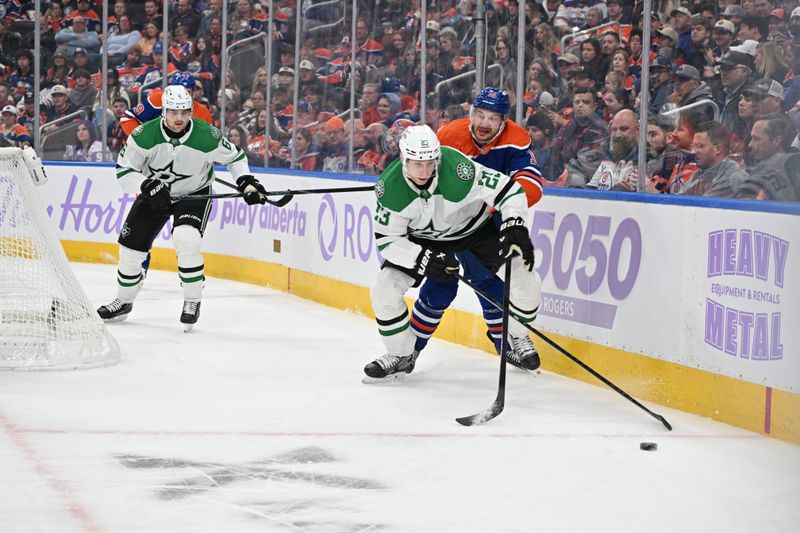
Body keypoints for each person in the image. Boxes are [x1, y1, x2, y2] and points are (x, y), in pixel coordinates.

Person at [364, 125, 541, 379]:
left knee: (524, 276)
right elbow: (388, 240)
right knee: (383, 289)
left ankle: (515, 334)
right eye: (417, 164)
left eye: (430, 163)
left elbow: (509, 190)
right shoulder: (389, 188)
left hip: (474, 231)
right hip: (423, 240)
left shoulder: (460, 169)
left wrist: (514, 222)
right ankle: (401, 354)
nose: (425, 171)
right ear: (403, 158)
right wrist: (421, 257)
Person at [97, 85, 270, 328]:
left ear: (190, 112)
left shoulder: (206, 135)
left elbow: (235, 157)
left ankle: (192, 300)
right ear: (163, 112)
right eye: (173, 112)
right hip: (155, 193)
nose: (179, 118)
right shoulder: (144, 135)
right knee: (130, 249)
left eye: (184, 112)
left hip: (193, 193)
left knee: (186, 237)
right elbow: (124, 171)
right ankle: (123, 301)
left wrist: (246, 182)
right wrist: (147, 185)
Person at [409, 88, 543, 370]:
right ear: (471, 113)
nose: (484, 123)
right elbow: (423, 177)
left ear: (504, 121)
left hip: (485, 223)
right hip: (447, 219)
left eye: (493, 118)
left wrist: (496, 205)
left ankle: (508, 340)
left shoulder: (516, 140)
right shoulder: (449, 135)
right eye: (479, 115)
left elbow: (531, 185)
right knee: (440, 283)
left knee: (489, 278)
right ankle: (408, 350)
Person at [120, 71, 212, 136]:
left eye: (187, 92)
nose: (183, 96)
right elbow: (128, 117)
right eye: (180, 91)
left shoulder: (202, 112)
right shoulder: (157, 100)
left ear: (193, 93)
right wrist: (140, 139)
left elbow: (209, 139)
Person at [682, 121, 748, 197]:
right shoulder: (699, 174)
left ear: (717, 149)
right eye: (693, 146)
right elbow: (678, 199)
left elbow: (702, 206)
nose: (693, 152)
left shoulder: (731, 179)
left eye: (700, 146)